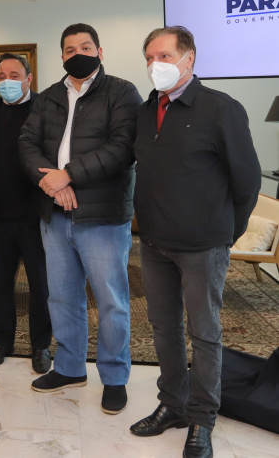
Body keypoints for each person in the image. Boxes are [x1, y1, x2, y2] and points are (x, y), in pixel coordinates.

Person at [129, 26, 260, 458]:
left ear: (189, 58)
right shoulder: (147, 110)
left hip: (203, 246)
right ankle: (173, 404)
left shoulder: (221, 108)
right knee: (163, 328)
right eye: (150, 57)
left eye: (164, 56)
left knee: (204, 334)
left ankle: (202, 418)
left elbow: (247, 181)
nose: (155, 65)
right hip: (154, 243)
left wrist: (226, 233)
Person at [19, 23, 141, 415]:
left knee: (111, 301)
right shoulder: (49, 97)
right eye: (70, 50)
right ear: (62, 56)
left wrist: (68, 174)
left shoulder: (122, 92)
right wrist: (54, 185)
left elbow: (122, 148)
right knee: (62, 296)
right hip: (55, 214)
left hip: (102, 215)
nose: (78, 54)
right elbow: (27, 144)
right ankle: (70, 368)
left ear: (100, 52)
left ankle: (115, 377)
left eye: (86, 47)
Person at [0, 53, 52, 374]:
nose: (6, 81)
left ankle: (40, 345)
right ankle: (1, 341)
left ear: (28, 79)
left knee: (40, 285)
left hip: (35, 216)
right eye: (1, 76)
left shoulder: (45, 109)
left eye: (14, 75)